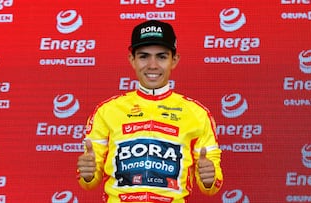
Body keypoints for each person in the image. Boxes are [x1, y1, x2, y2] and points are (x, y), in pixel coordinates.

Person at [77, 20, 223, 203]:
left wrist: (209, 180)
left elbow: (212, 186)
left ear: (174, 60)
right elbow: (88, 182)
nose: (152, 65)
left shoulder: (197, 114)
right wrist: (88, 174)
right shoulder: (107, 111)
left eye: (161, 56)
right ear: (132, 59)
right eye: (144, 56)